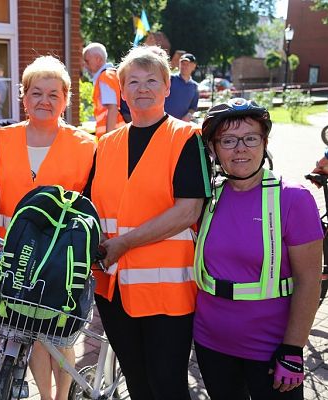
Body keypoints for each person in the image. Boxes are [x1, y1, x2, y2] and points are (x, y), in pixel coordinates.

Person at [87, 45, 211, 400]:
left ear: (167, 88)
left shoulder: (187, 139)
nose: (142, 89)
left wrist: (125, 243)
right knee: (138, 384)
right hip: (114, 291)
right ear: (122, 90)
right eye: (134, 82)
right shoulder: (106, 144)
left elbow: (188, 211)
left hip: (168, 292)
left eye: (152, 81)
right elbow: (92, 208)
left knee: (167, 385)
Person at [194, 98, 323, 400]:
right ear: (213, 149)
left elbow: (309, 281)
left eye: (250, 138)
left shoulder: (293, 199)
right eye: (228, 140)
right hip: (211, 342)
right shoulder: (207, 198)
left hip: (270, 348)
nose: (240, 148)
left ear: (264, 143)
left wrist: (293, 349)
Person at [0, 55, 96, 400]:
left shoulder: (85, 144)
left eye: (54, 94)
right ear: (23, 97)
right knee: (32, 330)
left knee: (59, 331)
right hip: (16, 252)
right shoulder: (2, 139)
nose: (44, 101)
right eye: (36, 93)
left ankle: (63, 394)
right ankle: (47, 396)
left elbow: (91, 201)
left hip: (60, 255)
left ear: (66, 99)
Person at [82, 42, 126, 138]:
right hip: (119, 133)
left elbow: (112, 108)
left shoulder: (105, 77)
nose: (84, 65)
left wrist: (108, 138)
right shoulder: (111, 74)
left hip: (114, 136)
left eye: (87, 61)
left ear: (98, 59)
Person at [164, 53, 199, 122]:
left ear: (194, 66)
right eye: (182, 63)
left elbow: (193, 107)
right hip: (164, 121)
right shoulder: (170, 79)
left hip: (181, 125)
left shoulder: (194, 86)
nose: (184, 66)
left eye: (187, 64)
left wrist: (189, 115)